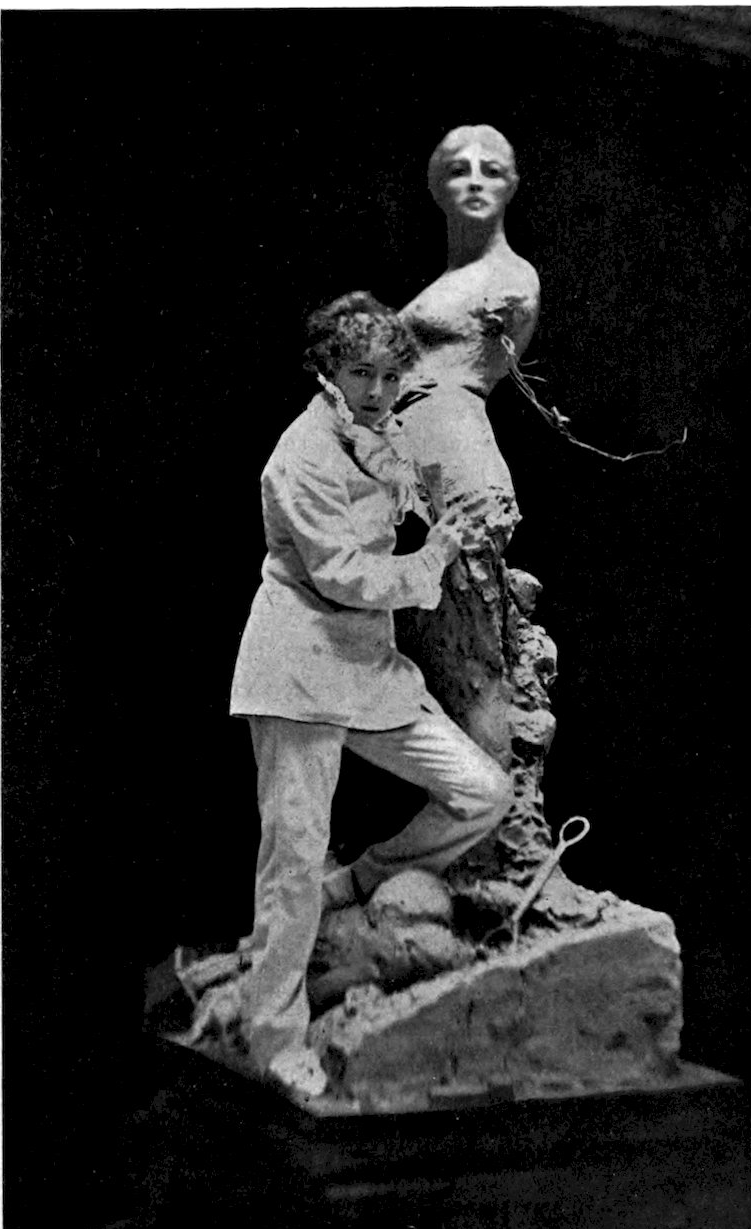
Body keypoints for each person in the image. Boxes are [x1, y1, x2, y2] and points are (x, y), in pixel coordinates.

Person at [229, 292, 513, 1099]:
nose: (380, 391)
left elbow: (404, 485)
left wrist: (451, 505)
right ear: (326, 371)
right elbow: (344, 576)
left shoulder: (376, 429)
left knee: (480, 791)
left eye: (392, 375)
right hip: (296, 667)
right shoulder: (301, 457)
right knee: (291, 860)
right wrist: (435, 556)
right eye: (362, 374)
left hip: (365, 667)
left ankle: (357, 880)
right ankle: (273, 1038)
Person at [395, 124, 542, 767]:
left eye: (491, 168)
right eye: (459, 169)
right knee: (429, 646)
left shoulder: (510, 277)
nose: (476, 179)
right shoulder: (450, 278)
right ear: (437, 188)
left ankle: (505, 811)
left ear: (512, 186)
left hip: (452, 452)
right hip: (412, 463)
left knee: (471, 653)